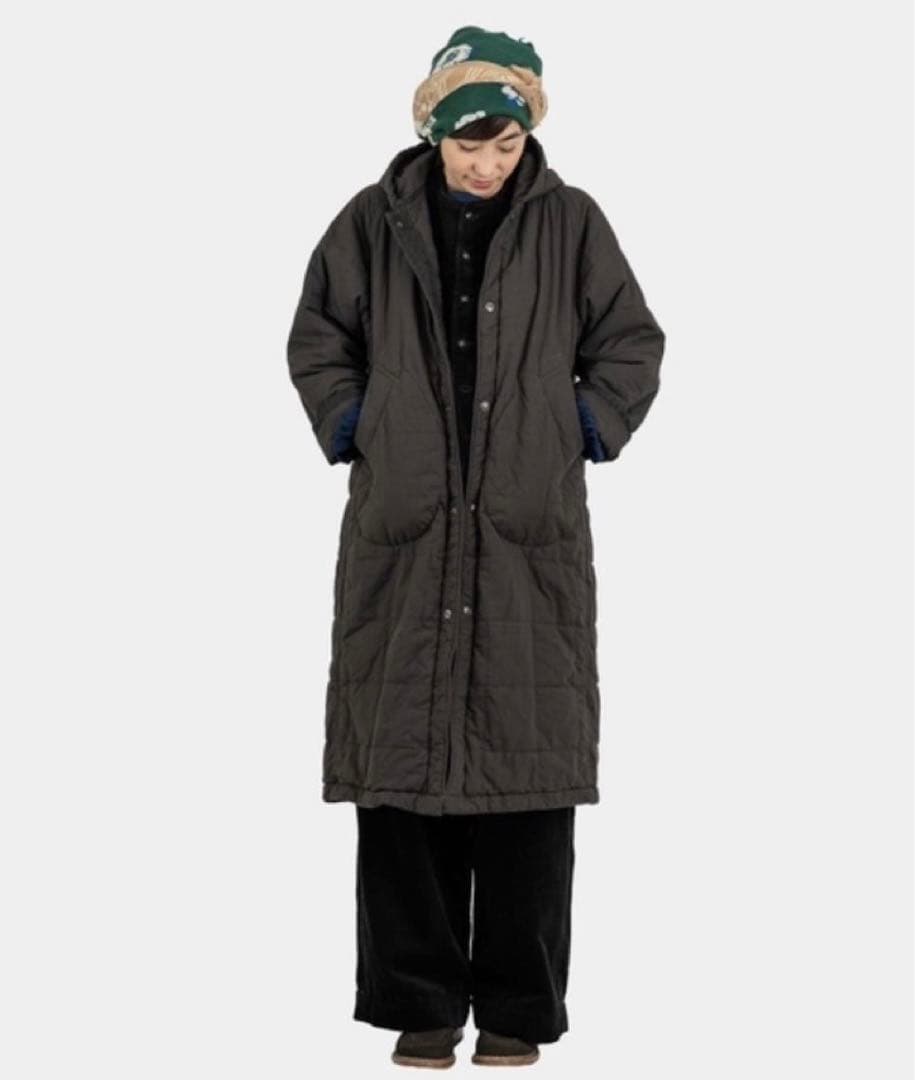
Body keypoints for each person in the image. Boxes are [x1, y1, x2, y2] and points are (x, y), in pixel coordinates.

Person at [286, 25, 665, 1069]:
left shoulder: (572, 224)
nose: (488, 164)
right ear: (433, 129)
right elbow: (319, 336)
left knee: (527, 777)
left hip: (524, 533)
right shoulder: (370, 223)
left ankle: (514, 1011)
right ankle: (418, 1005)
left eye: (505, 144)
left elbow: (630, 342)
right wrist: (358, 424)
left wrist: (579, 427)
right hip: (403, 530)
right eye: (468, 144)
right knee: (400, 773)